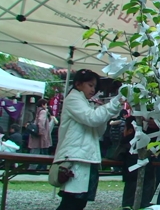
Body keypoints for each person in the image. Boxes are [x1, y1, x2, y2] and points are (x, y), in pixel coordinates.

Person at [53, 69, 123, 210]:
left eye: (94, 87)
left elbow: (97, 130)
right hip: (76, 157)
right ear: (79, 84)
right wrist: (114, 103)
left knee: (78, 202)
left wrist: (103, 112)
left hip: (86, 157)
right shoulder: (73, 98)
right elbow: (91, 119)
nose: (93, 90)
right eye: (90, 85)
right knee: (71, 202)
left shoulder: (85, 102)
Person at [115, 116, 154, 209]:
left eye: (124, 128)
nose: (122, 131)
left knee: (128, 203)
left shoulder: (126, 142)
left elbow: (116, 156)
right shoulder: (146, 141)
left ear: (130, 130)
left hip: (131, 176)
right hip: (147, 175)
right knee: (145, 202)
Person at [28, 98, 51, 170]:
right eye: (46, 104)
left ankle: (33, 167)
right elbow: (41, 122)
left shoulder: (38, 111)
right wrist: (41, 131)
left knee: (35, 150)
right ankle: (35, 168)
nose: (47, 106)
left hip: (36, 135)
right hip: (41, 135)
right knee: (40, 151)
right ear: (43, 104)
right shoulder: (43, 112)